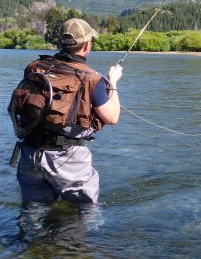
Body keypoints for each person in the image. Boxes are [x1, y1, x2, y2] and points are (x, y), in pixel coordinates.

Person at [14, 18, 122, 205]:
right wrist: (113, 81)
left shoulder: (34, 67)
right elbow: (112, 118)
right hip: (67, 159)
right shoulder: (92, 79)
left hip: (29, 154)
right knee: (85, 214)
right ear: (87, 45)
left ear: (60, 43)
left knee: (32, 216)